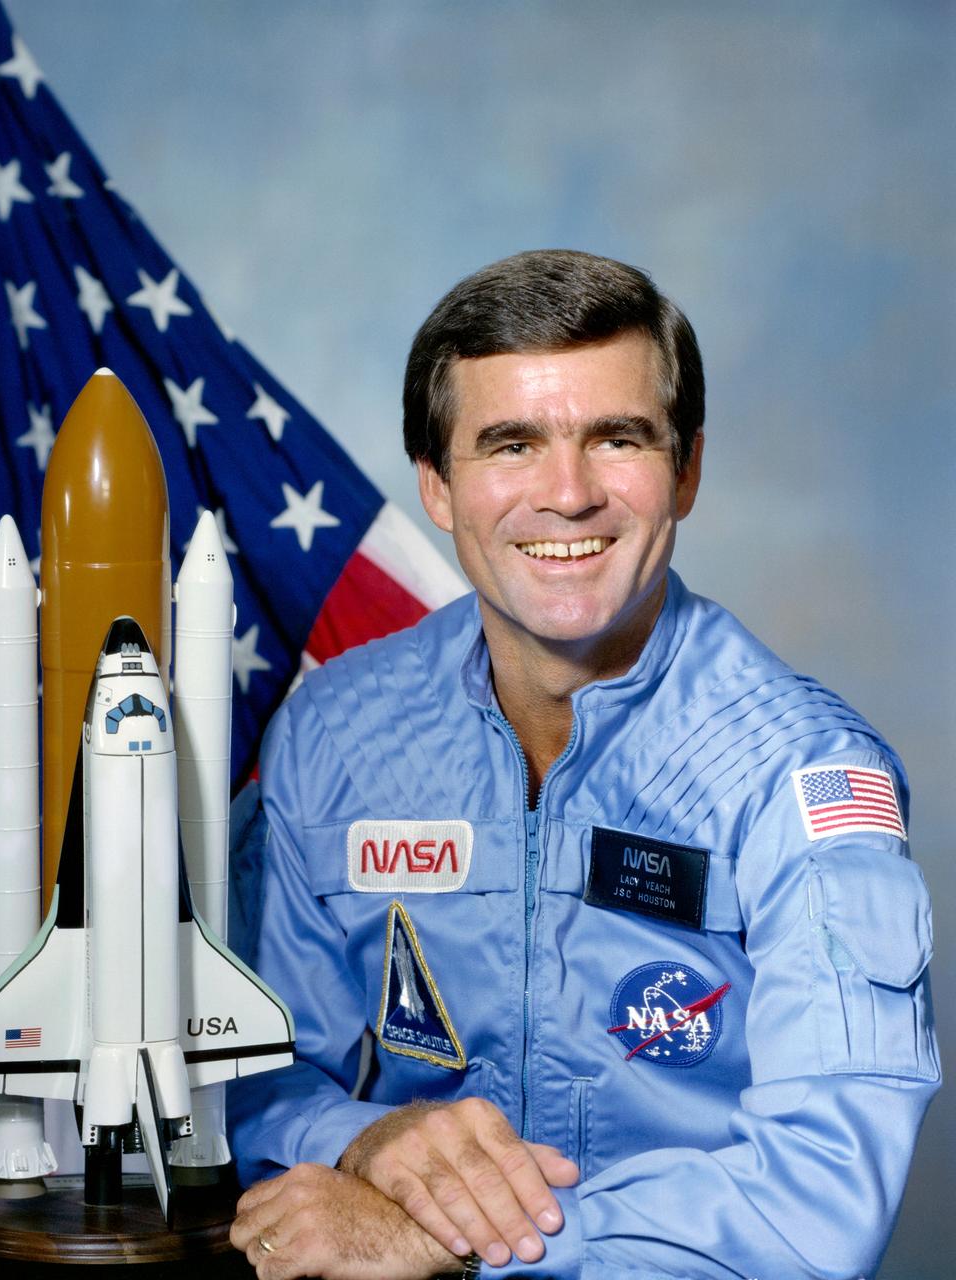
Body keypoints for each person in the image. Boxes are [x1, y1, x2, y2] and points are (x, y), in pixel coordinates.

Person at [226, 250, 939, 1280]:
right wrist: (358, 1138)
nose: (566, 494)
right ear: (436, 483)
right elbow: (257, 1071)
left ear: (686, 469)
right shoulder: (333, 736)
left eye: (617, 437)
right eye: (509, 443)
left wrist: (461, 1241)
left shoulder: (797, 770)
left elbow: (820, 1188)